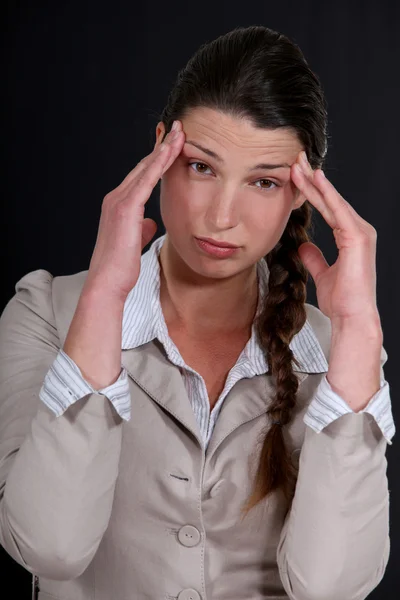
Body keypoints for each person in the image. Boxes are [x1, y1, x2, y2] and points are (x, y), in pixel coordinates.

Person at [0, 24, 395, 600]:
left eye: (263, 181)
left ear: (303, 194)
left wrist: (358, 333)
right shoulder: (43, 313)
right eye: (202, 168)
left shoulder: (341, 356)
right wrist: (105, 299)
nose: (220, 217)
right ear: (162, 150)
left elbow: (332, 588)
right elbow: (49, 546)